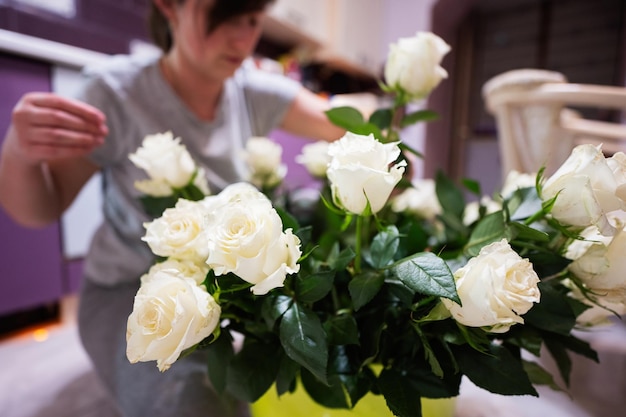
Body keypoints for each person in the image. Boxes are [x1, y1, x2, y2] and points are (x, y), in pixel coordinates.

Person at [0, 0, 345, 416]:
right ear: (170, 7)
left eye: (252, 20)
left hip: (214, 290)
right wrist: (19, 153)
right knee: (187, 402)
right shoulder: (116, 94)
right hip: (125, 287)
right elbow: (40, 209)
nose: (241, 38)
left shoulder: (252, 90)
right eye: (224, 15)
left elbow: (345, 121)